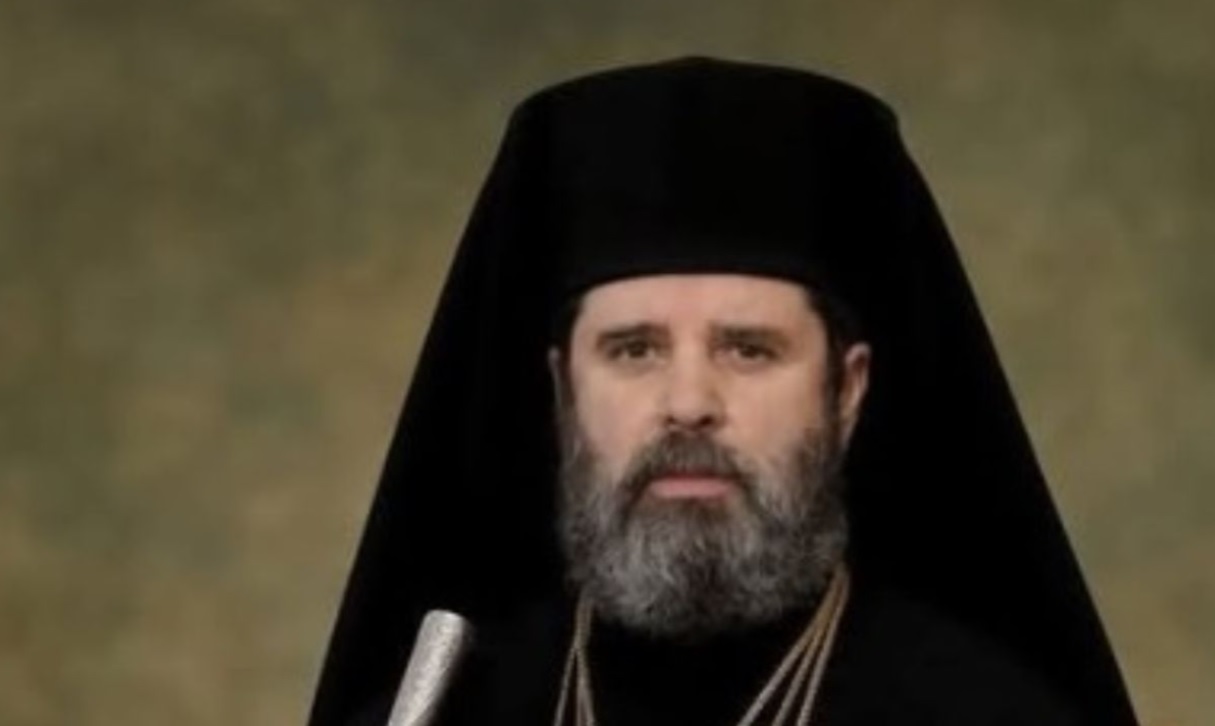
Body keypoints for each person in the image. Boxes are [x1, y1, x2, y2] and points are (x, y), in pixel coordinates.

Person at [307, 57, 1139, 725]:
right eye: (634, 349)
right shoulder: (449, 713)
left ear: (845, 391)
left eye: (747, 349)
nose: (688, 401)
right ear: (562, 390)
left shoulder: (987, 713)